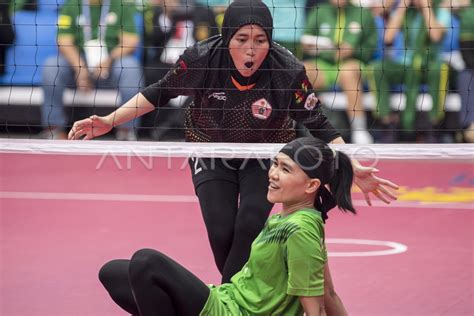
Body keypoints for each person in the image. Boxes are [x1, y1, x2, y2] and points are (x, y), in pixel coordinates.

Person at [69, 0, 398, 305]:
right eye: (242, 39)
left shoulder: (286, 71)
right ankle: (239, 299)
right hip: (210, 149)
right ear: (227, 37)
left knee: (251, 223)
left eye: (260, 40)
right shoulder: (202, 58)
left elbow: (321, 124)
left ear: (270, 41)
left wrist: (351, 166)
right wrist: (109, 121)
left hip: (264, 153)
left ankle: (231, 304)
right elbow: (159, 92)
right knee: (222, 230)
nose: (251, 49)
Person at [99, 137, 356, 316]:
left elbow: (317, 309)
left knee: (146, 262)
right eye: (275, 164)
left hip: (237, 313)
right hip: (228, 299)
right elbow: (329, 292)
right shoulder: (286, 219)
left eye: (285, 169)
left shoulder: (301, 230)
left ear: (311, 185)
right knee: (114, 273)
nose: (273, 174)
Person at [40, 0, 143, 140]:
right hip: (77, 64)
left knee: (130, 67)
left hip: (111, 64)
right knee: (52, 66)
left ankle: (126, 131)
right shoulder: (71, 5)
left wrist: (108, 60)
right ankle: (53, 130)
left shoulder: (120, 5)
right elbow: (63, 40)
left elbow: (131, 41)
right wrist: (80, 68)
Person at [369, 0, 451, 142]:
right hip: (404, 65)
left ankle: (434, 124)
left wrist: (426, 6)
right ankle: (387, 122)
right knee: (377, 69)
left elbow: (436, 36)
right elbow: (388, 37)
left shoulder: (441, 11)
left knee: (440, 70)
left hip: (429, 63)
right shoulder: (406, 12)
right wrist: (403, 5)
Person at [301, 0, 378, 144]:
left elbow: (371, 47)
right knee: (302, 70)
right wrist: (312, 46)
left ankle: (359, 130)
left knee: (348, 71)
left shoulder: (364, 13)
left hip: (353, 63)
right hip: (324, 64)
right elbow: (306, 38)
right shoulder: (319, 11)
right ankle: (296, 126)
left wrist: (352, 51)